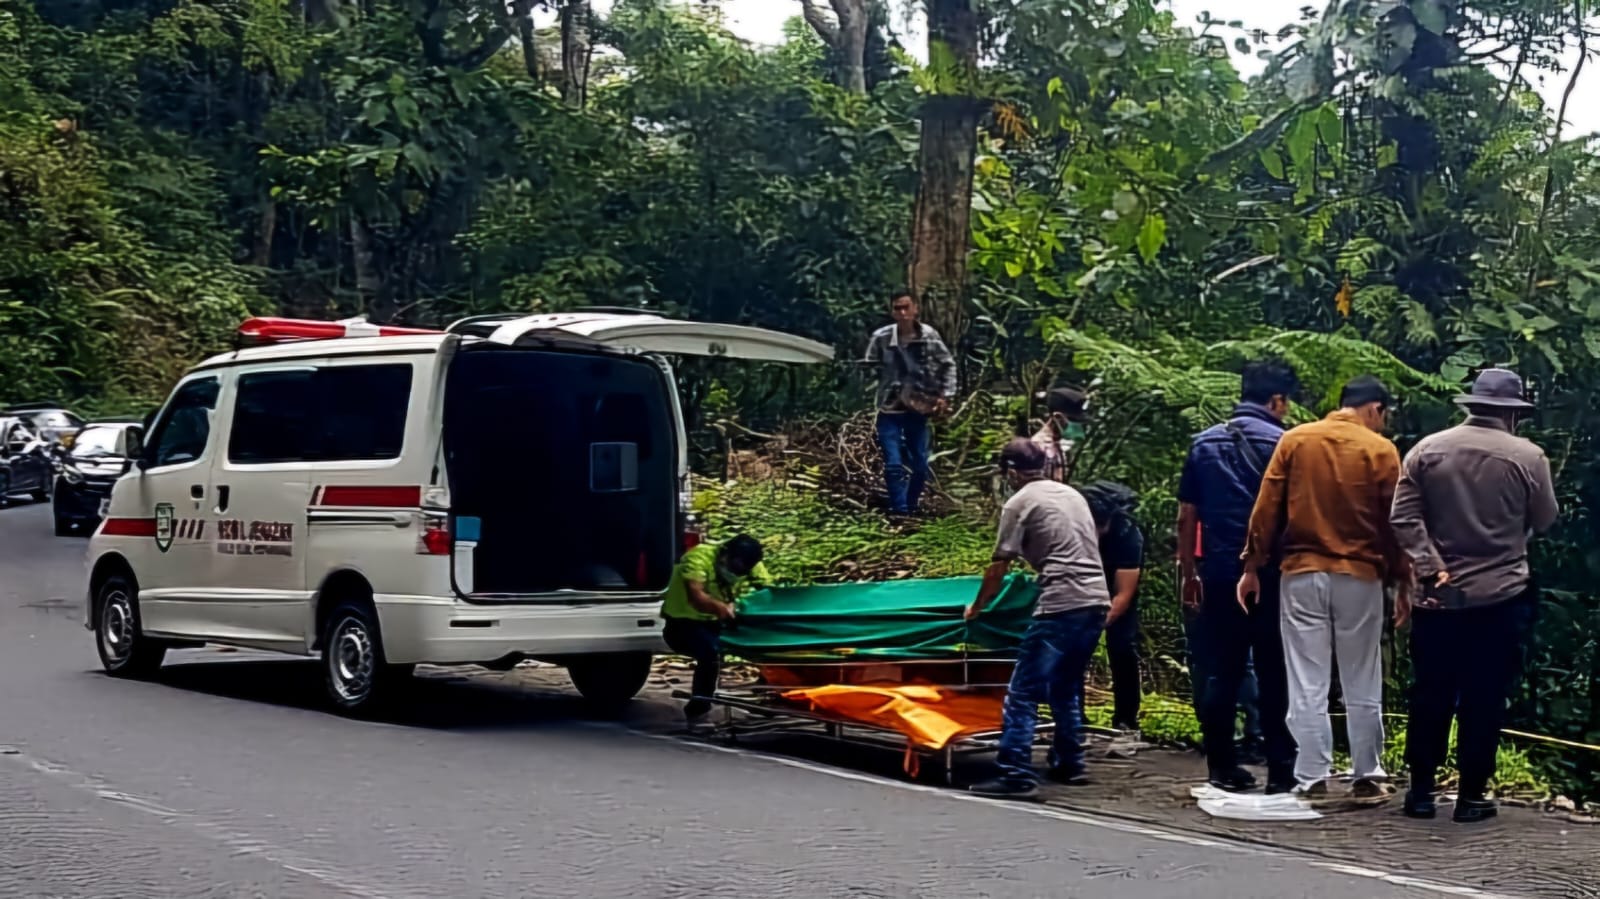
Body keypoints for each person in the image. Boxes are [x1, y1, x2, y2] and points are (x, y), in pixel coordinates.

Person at [1389, 369, 1558, 823]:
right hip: (1500, 595)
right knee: (1484, 695)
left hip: (1437, 596)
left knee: (1431, 691)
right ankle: (1470, 796)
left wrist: (1430, 565)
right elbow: (1544, 520)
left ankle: (1420, 791)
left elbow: (1402, 517)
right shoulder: (1528, 457)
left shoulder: (1427, 450)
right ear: (1511, 413)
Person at [1239, 375, 1407, 797]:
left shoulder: (1296, 440)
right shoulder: (1381, 450)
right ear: (1375, 409)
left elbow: (1267, 507)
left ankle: (1312, 774)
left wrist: (1253, 564)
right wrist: (1403, 579)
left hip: (1302, 572)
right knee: (1361, 675)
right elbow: (1396, 523)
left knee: (1307, 677)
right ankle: (1367, 773)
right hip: (1361, 577)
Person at [1176, 360, 1299, 793]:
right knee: (1274, 669)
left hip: (1218, 570)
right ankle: (1281, 769)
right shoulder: (1284, 443)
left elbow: (1187, 515)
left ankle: (1221, 766)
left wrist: (1189, 572)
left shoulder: (1204, 443)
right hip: (1270, 571)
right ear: (1277, 401)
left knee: (1222, 670)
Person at [965, 439, 1110, 799]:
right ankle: (1071, 763)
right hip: (1096, 600)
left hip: (1061, 603)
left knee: (1023, 692)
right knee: (1065, 685)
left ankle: (1015, 774)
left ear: (1011, 471)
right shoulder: (1071, 494)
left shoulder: (1020, 502)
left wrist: (977, 607)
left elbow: (1000, 563)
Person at [659, 535, 773, 732]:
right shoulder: (698, 558)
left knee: (767, 642)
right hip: (683, 624)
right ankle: (698, 712)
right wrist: (722, 608)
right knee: (709, 654)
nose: (737, 574)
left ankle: (770, 694)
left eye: (742, 571)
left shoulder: (750, 563)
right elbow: (697, 597)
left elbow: (768, 590)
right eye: (734, 567)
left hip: (716, 622)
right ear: (724, 555)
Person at [863, 290, 957, 515]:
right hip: (889, 408)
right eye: (898, 308)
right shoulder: (881, 337)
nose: (903, 313)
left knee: (921, 465)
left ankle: (912, 506)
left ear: (916, 309)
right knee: (893, 464)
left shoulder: (929, 336)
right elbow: (868, 367)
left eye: (906, 307)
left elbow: (947, 364)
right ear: (892, 311)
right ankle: (900, 511)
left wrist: (945, 395)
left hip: (919, 406)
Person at [1077, 481, 1144, 733]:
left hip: (1116, 591)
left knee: (1123, 648)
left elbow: (1124, 594)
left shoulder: (1127, 536)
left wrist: (1099, 624)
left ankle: (1126, 719)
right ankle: (1075, 716)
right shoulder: (1074, 528)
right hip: (1082, 590)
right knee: (1075, 649)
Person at [1032, 386, 1090, 483]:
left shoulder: (1058, 443)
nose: (1078, 426)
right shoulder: (1038, 447)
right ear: (1057, 417)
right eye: (1073, 420)